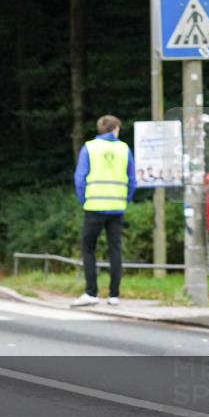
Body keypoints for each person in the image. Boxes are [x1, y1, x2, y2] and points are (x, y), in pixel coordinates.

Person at [71, 115, 136, 307]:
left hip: (94, 207)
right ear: (115, 129)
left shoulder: (89, 147)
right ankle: (114, 295)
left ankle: (91, 292)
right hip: (117, 207)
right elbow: (132, 179)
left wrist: (84, 199)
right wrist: (126, 199)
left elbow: (80, 177)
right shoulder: (124, 149)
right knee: (115, 249)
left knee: (88, 248)